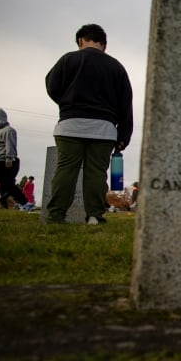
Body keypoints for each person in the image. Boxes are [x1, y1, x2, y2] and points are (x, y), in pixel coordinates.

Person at [45, 24, 133, 225]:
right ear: (104, 44)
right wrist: (124, 135)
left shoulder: (68, 59)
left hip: (70, 124)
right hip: (104, 129)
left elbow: (51, 85)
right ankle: (94, 216)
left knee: (65, 170)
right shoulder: (116, 66)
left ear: (80, 41)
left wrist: (67, 104)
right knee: (96, 173)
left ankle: (56, 215)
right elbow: (125, 103)